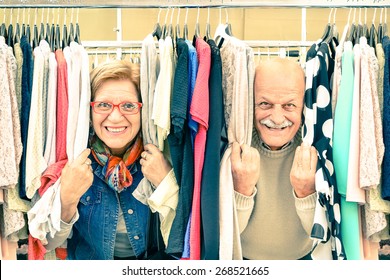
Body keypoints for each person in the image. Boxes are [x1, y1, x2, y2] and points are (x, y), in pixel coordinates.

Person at [44, 60, 178, 260]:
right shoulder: (74, 160)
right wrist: (67, 199)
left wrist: (167, 184)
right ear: (89, 112)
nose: (115, 117)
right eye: (103, 105)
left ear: (143, 111)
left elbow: (187, 234)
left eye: (129, 106)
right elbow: (48, 243)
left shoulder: (164, 157)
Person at [231, 57, 318, 260]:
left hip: (304, 260)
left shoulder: (315, 145)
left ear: (303, 107)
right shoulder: (234, 143)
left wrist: (306, 191)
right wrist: (241, 189)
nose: (277, 118)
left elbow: (320, 235)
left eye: (289, 106)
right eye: (265, 104)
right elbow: (226, 234)